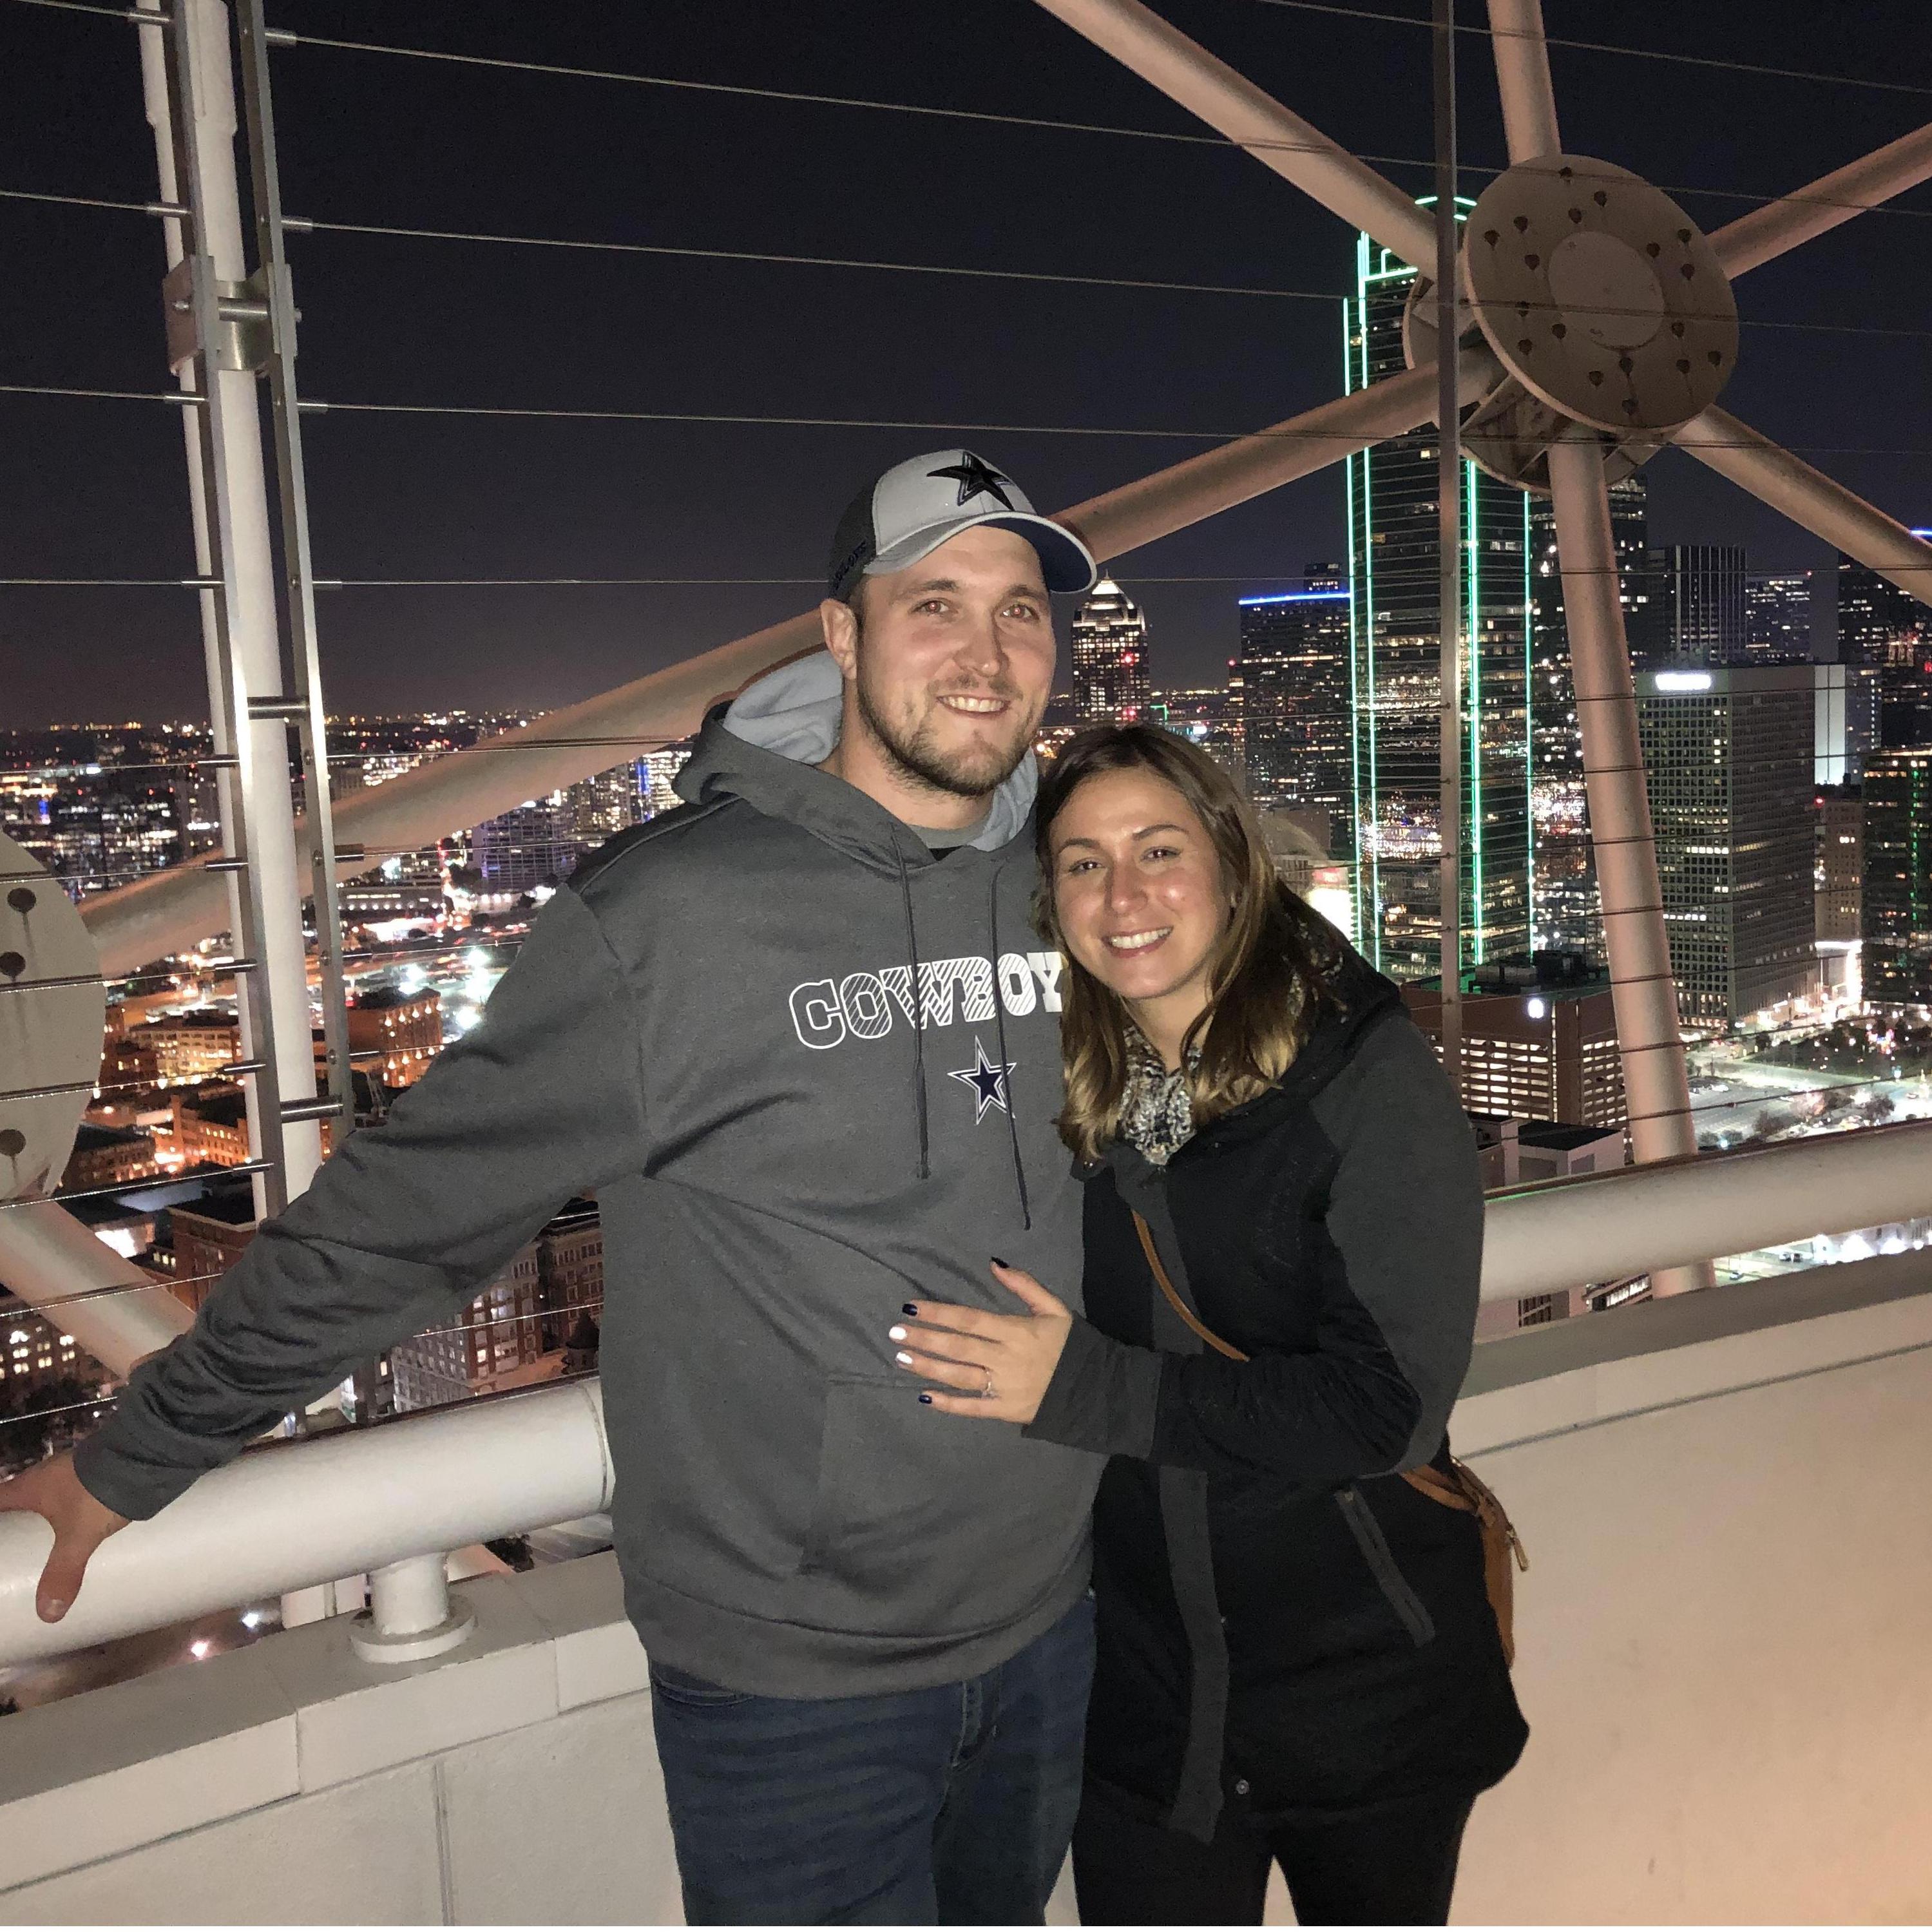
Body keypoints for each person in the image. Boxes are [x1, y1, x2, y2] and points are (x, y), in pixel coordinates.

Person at [0, 452, 1109, 1927]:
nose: (986, 655)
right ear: (840, 634)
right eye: (936, 605)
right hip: (795, 1688)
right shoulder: (667, 919)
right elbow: (407, 1219)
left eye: (1021, 610)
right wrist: (141, 1452)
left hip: (1053, 1620)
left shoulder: (1084, 879)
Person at [887, 723, 1527, 1926]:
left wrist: (1082, 1389)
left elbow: (1388, 1406)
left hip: (1366, 1698)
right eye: (1081, 862)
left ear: (1231, 863)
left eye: (1157, 850)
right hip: (1151, 1712)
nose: (1121, 895)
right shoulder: (1067, 1080)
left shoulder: (1362, 1077)